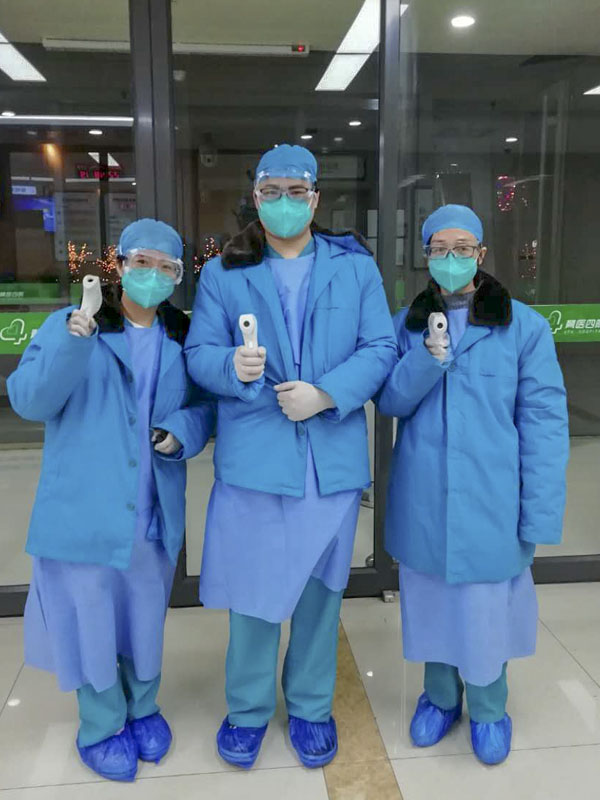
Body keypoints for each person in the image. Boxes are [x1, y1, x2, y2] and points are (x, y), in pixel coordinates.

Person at [185, 144, 396, 769]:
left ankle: (309, 707)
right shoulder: (225, 273)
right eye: (271, 192)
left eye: (295, 192)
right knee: (253, 595)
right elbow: (198, 355)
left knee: (319, 596)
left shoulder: (354, 268)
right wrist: (232, 366)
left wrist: (326, 393)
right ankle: (247, 711)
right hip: (257, 461)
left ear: (315, 199)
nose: (283, 202)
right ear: (256, 198)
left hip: (329, 461)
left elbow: (380, 346)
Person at [8, 219, 214, 782]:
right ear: (119, 265)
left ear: (178, 276)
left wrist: (180, 432)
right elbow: (29, 400)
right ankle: (101, 725)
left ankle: (143, 707)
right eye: (141, 262)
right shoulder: (74, 326)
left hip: (152, 511)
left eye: (166, 267)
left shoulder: (181, 338)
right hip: (86, 513)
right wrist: (73, 342)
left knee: (144, 618)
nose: (153, 275)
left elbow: (204, 408)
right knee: (93, 621)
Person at [377, 204, 569, 765]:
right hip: (425, 500)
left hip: (491, 501)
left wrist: (537, 514)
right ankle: (439, 699)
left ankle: (489, 709)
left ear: (481, 254)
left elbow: (544, 425)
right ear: (426, 256)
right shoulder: (405, 325)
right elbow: (389, 401)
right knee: (432, 607)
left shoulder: (523, 328)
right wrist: (425, 361)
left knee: (484, 615)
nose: (452, 258)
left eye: (463, 248)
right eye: (440, 249)